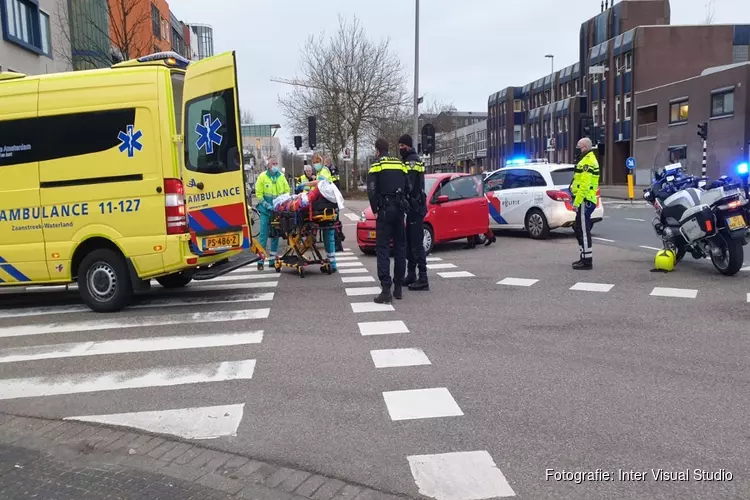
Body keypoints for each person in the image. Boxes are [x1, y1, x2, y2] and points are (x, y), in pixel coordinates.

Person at [368, 138, 409, 303]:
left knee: (383, 248)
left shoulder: (377, 165)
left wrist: (375, 209)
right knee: (400, 248)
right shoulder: (400, 164)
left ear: (377, 150)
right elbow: (408, 187)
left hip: (384, 211)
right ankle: (398, 287)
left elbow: (371, 190)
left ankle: (386, 289)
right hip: (399, 210)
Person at [397, 134, 429, 291]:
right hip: (413, 207)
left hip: (415, 206)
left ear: (408, 146)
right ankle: (411, 274)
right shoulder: (408, 159)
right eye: (399, 145)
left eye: (402, 145)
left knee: (416, 243)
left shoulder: (412, 161)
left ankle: (423, 277)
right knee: (410, 242)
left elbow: (408, 182)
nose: (400, 148)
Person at [300, 153, 338, 272]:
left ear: (321, 162)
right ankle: (331, 261)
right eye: (314, 162)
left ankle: (332, 262)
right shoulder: (320, 172)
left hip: (325, 205)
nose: (316, 164)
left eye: (317, 162)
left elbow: (319, 184)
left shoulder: (324, 171)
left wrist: (305, 184)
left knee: (329, 236)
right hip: (325, 204)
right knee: (328, 235)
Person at [254, 157, 290, 269]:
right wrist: (265, 204)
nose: (275, 165)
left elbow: (287, 191)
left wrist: (282, 203)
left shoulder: (281, 177)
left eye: (276, 163)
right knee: (264, 235)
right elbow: (259, 194)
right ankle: (260, 261)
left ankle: (272, 260)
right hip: (266, 211)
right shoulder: (262, 177)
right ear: (268, 165)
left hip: (277, 211)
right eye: (273, 163)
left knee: (275, 235)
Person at [570, 137, 600, 270]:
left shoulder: (588, 162)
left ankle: (587, 261)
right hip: (584, 200)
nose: (578, 149)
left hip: (584, 200)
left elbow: (584, 185)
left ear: (586, 147)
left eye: (579, 147)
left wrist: (576, 203)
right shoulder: (585, 160)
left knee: (583, 230)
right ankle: (584, 256)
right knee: (578, 229)